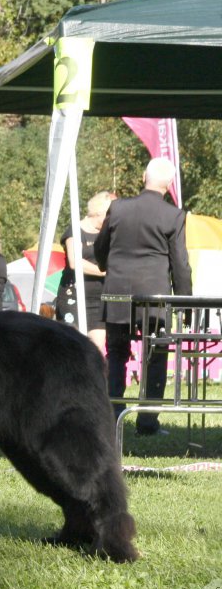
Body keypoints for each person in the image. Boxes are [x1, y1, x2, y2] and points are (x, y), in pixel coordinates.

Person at [95, 158, 192, 435]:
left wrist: (105, 266)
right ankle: (148, 422)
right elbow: (180, 265)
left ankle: (113, 418)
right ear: (169, 184)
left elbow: (101, 248)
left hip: (117, 295)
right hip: (155, 299)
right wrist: (185, 304)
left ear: (143, 177)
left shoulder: (118, 208)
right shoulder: (173, 215)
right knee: (156, 357)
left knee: (116, 354)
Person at [55, 190, 116, 352]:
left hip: (99, 299)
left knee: (97, 348)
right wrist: (103, 272)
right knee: (73, 347)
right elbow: (75, 262)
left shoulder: (108, 234)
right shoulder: (75, 230)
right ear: (99, 213)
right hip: (73, 296)